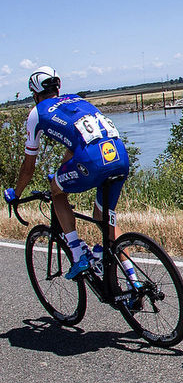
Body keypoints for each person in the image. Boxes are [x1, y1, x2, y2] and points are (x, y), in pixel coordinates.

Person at [5, 66, 135, 282]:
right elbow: (75, 144)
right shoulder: (76, 100)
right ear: (58, 87)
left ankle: (77, 254)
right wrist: (63, 168)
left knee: (55, 191)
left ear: (35, 94)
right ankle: (135, 282)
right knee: (105, 219)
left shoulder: (37, 113)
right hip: (119, 156)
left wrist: (16, 193)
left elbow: (28, 168)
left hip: (91, 161)